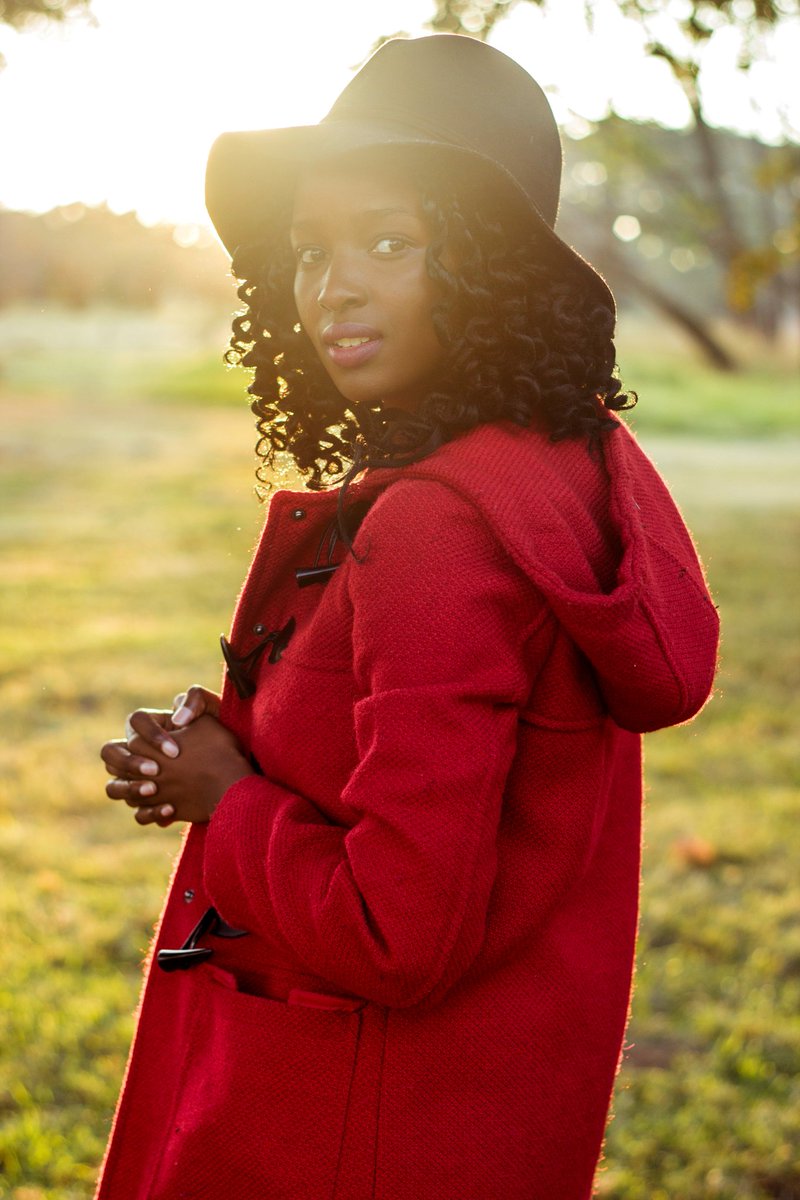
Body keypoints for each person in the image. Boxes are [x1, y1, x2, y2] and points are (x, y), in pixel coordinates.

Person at [96, 34, 719, 1200]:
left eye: (390, 241)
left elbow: (397, 929)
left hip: (346, 1137)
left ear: (489, 268)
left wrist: (222, 796)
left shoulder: (436, 530)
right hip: (468, 1118)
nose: (333, 284)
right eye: (312, 249)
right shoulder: (557, 468)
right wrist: (231, 746)